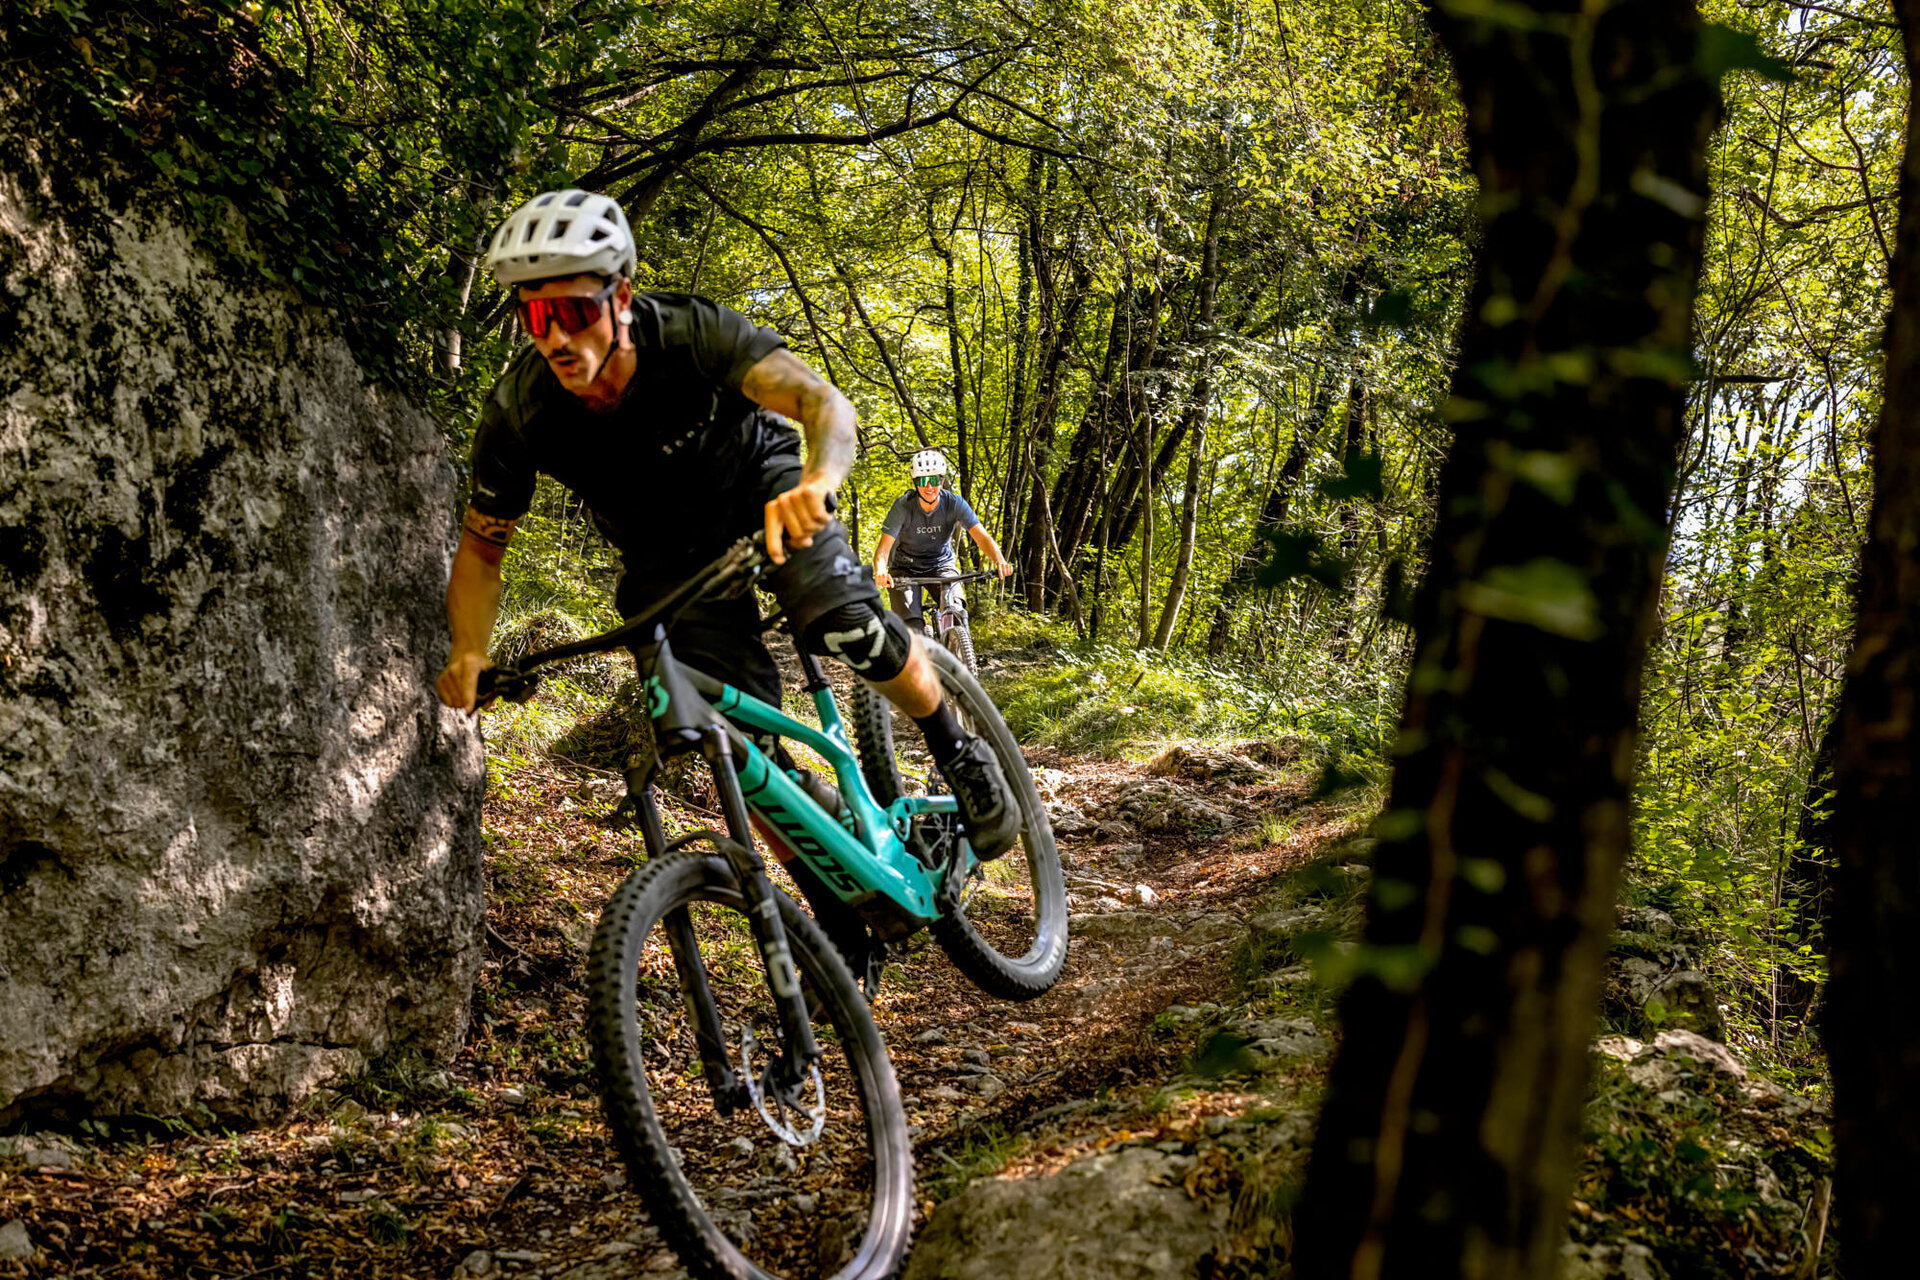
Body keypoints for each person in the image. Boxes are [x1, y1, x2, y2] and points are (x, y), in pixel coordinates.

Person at [434, 188, 1019, 983]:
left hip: (767, 487)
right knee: (735, 753)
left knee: (845, 626)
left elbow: (823, 404)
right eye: (537, 319)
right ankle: (839, 914)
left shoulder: (692, 332)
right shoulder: (521, 411)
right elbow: (482, 550)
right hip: (664, 556)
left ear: (623, 299)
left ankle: (961, 753)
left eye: (575, 309)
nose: (559, 338)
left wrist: (819, 479)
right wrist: (470, 652)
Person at [872, 449, 1014, 631]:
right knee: (912, 626)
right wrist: (881, 571)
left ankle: (957, 649)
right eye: (923, 481)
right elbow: (883, 550)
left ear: (942, 480)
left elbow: (982, 537)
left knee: (955, 611)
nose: (929, 487)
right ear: (916, 483)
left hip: (941, 565)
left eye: (934, 480)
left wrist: (999, 560)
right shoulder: (903, 507)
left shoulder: (954, 503)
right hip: (904, 569)